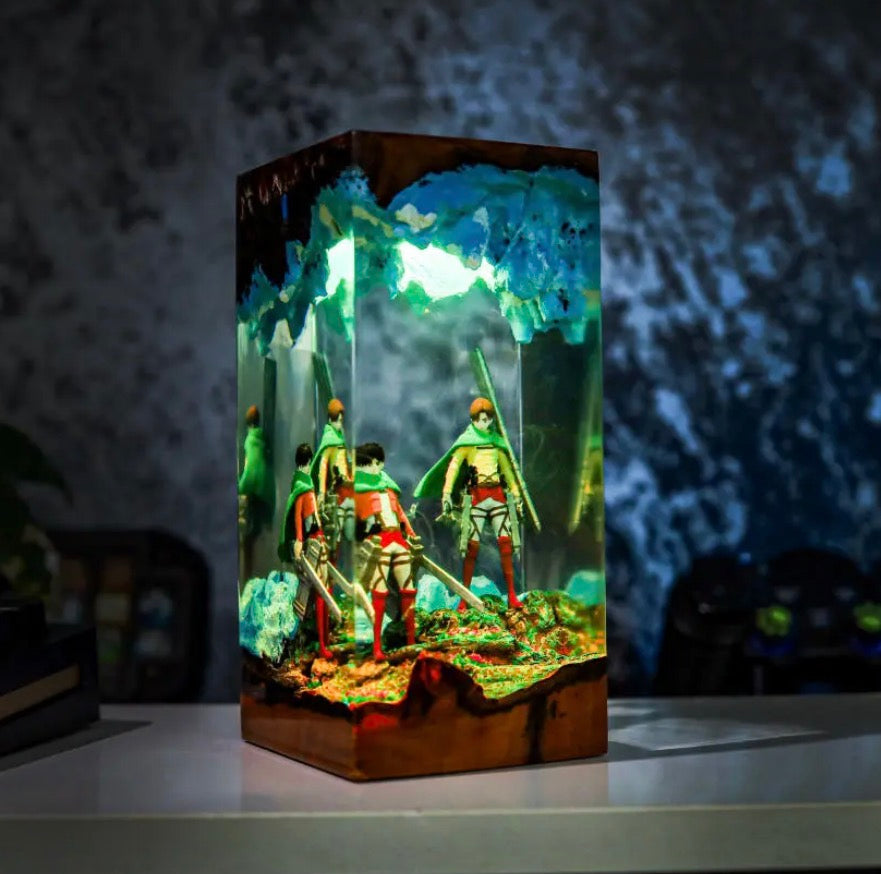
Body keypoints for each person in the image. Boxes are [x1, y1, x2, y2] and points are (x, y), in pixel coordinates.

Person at [414, 397, 523, 610]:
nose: (483, 423)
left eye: (487, 419)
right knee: (471, 547)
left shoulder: (496, 444)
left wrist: (517, 493)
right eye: (480, 419)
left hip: (497, 495)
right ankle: (464, 597)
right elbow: (453, 468)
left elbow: (508, 472)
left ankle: (511, 594)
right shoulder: (467, 443)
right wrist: (446, 493)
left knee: (505, 544)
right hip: (477, 496)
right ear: (473, 420)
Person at [353, 443, 417, 661]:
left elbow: (400, 514)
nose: (367, 468)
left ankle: (411, 641)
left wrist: (410, 533)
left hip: (397, 539)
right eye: (362, 464)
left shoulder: (389, 490)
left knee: (408, 589)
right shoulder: (359, 491)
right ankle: (377, 645)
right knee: (379, 593)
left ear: (378, 463)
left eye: (370, 463)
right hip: (378, 541)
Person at [279, 443, 331, 658]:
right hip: (312, 542)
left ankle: (322, 639)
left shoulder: (303, 484)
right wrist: (300, 539)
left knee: (320, 590)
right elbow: (299, 516)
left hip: (316, 538)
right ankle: (312, 642)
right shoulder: (303, 487)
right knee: (311, 591)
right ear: (308, 462)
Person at [311, 398, 354, 562]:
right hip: (337, 490)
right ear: (331, 419)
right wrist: (321, 492)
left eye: (341, 420)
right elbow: (323, 467)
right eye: (337, 420)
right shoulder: (329, 440)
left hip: (347, 488)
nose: (339, 423)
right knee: (335, 531)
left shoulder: (340, 439)